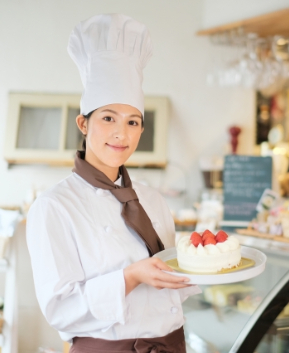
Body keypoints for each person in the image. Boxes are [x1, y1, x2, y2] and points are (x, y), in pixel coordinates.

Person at [26, 14, 200, 353]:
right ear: (84, 124)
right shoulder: (54, 206)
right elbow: (60, 309)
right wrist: (130, 276)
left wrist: (206, 263)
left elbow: (169, 283)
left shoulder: (152, 199)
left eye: (133, 122)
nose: (122, 133)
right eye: (108, 118)